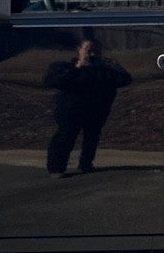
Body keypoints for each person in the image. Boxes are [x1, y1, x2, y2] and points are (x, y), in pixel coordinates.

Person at [44, 40, 131, 175]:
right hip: (71, 111)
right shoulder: (65, 67)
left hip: (96, 110)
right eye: (88, 50)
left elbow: (125, 80)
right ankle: (56, 168)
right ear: (79, 50)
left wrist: (115, 65)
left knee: (92, 137)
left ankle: (86, 163)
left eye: (95, 51)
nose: (91, 54)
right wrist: (79, 67)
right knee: (65, 137)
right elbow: (52, 81)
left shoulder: (103, 71)